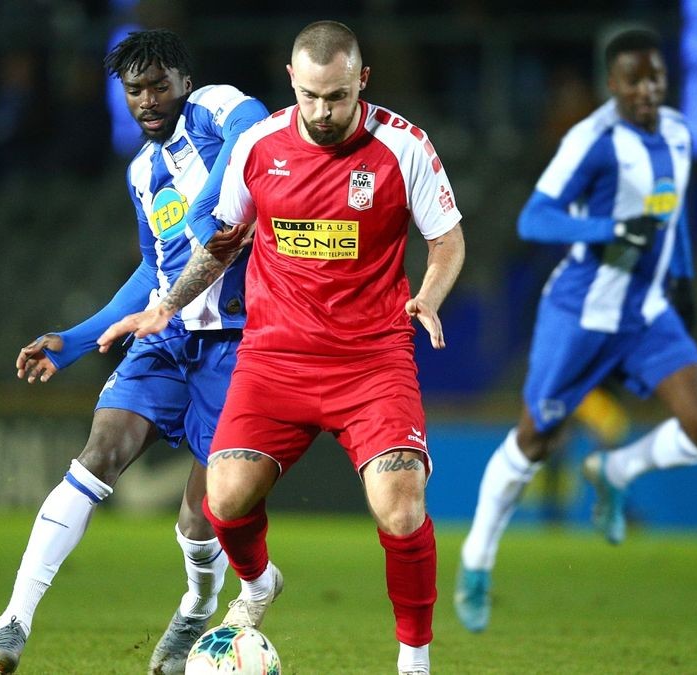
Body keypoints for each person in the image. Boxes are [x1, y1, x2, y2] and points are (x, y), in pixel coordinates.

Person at [99, 20, 465, 675]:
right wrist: (167, 305)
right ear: (293, 80)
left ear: (363, 82)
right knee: (225, 498)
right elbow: (222, 242)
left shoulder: (405, 146)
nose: (323, 112)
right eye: (313, 96)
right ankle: (260, 582)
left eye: (339, 97)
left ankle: (414, 657)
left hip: (371, 359)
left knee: (401, 503)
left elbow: (447, 241)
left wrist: (430, 296)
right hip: (275, 358)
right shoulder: (259, 144)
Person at [0, 30, 267, 675]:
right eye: (135, 90)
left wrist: (210, 210)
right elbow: (153, 270)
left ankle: (196, 604)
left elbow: (258, 124)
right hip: (164, 338)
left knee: (201, 517)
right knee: (97, 454)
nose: (148, 100)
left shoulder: (215, 109)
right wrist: (74, 341)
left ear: (183, 83)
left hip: (237, 344)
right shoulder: (141, 171)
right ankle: (13, 622)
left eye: (159, 85)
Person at [454, 28, 697, 634]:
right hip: (581, 316)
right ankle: (476, 560)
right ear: (613, 83)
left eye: (655, 77)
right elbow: (535, 217)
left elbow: (670, 213)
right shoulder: (593, 140)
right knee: (534, 440)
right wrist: (606, 228)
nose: (646, 90)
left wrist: (681, 280)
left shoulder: (679, 133)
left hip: (646, 313)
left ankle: (615, 471)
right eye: (634, 79)